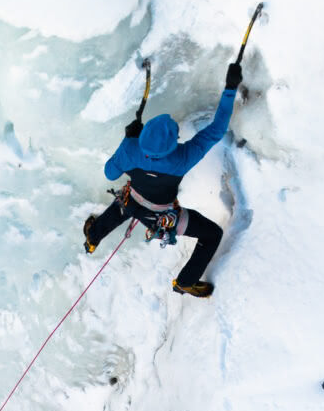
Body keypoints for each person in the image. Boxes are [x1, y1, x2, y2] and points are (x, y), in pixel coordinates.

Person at [83, 63, 243, 298]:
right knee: (212, 235)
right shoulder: (182, 158)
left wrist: (128, 140)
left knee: (124, 206)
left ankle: (92, 238)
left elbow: (110, 173)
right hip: (162, 218)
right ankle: (185, 282)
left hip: (132, 201)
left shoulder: (130, 150)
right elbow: (216, 130)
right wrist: (230, 87)